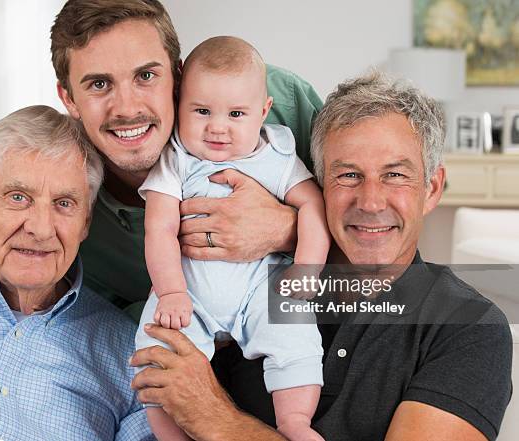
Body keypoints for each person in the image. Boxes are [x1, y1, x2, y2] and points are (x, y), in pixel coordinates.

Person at [130, 73, 513, 441]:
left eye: (395, 175)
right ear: (318, 185)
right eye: (348, 175)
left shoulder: (469, 328)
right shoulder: (255, 288)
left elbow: (204, 413)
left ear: (431, 189)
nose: (371, 201)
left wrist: (218, 419)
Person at [51, 0, 322, 322]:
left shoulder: (267, 97)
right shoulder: (63, 206)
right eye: (99, 84)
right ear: (68, 98)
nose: (126, 108)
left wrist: (288, 231)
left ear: (177, 76)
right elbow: (100, 333)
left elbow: (383, 283)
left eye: (146, 75)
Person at [0, 106, 153, 441]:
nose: (40, 229)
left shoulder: (129, 352)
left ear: (86, 223)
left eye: (64, 203)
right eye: (18, 197)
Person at [135, 36, 329, 441]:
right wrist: (171, 291)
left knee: (294, 332)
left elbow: (312, 205)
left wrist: (306, 268)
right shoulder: (176, 159)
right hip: (188, 291)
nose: (218, 127)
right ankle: (170, 434)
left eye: (236, 113)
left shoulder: (275, 155)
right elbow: (160, 227)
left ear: (263, 112)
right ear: (179, 104)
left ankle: (294, 419)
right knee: (157, 349)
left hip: (259, 287)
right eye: (202, 111)